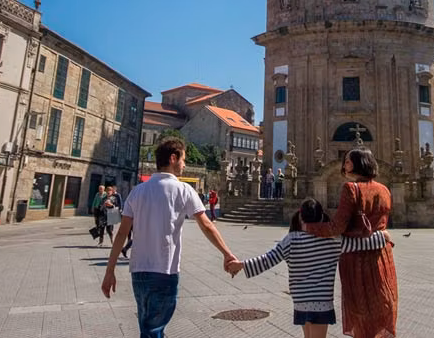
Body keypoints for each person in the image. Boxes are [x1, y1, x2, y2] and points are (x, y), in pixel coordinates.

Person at [101, 137, 237, 338]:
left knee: (149, 326)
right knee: (152, 330)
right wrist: (227, 254)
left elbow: (122, 233)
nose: (185, 164)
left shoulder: (137, 191)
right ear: (173, 158)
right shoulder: (183, 190)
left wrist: (110, 270)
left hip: (138, 272)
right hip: (164, 271)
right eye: (183, 159)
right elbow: (206, 225)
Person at [228, 199, 390, 338]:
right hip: (321, 303)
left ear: (300, 217)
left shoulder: (291, 240)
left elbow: (268, 260)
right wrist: (382, 237)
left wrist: (241, 265)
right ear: (321, 216)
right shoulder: (333, 240)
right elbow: (360, 243)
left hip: (301, 302)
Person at [303, 148, 398, 338]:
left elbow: (337, 227)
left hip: (357, 261)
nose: (344, 164)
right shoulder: (385, 190)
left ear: (359, 163)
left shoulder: (351, 188)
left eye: (347, 161)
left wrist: (309, 228)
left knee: (361, 310)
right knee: (380, 303)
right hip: (382, 257)